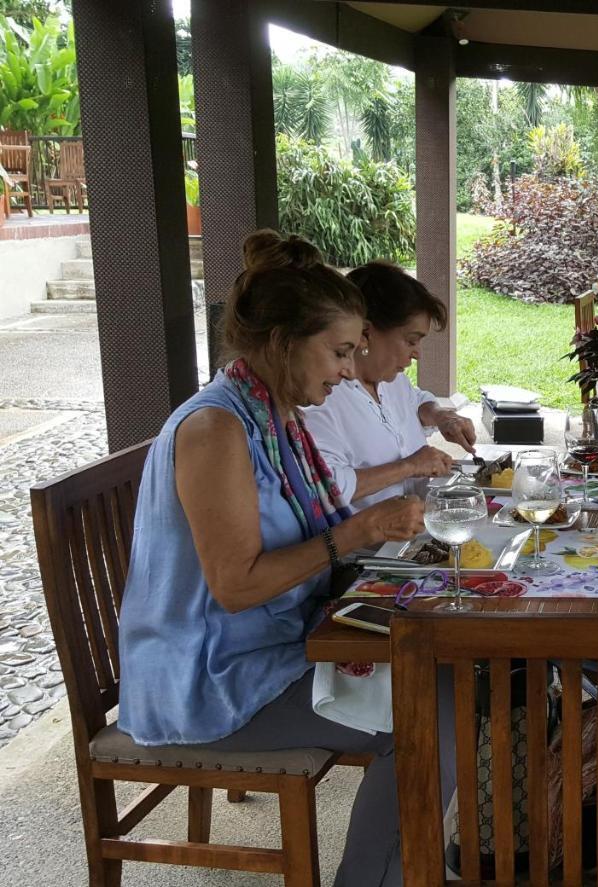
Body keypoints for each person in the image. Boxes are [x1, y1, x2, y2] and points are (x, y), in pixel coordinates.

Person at [116, 231, 424, 887]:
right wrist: (356, 532)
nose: (347, 370)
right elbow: (234, 586)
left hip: (275, 644)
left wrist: (392, 543)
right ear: (284, 343)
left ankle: (418, 860)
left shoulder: (274, 414)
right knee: (422, 714)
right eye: (340, 351)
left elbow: (316, 535)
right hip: (210, 678)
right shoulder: (216, 428)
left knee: (444, 675)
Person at [304, 259, 477, 512]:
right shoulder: (322, 397)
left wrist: (440, 415)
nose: (417, 354)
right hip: (369, 548)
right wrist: (409, 466)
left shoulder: (391, 382)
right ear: (366, 333)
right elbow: (325, 489)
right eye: (410, 341)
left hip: (418, 534)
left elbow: (416, 399)